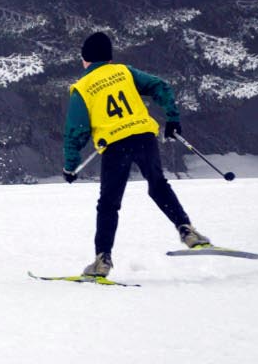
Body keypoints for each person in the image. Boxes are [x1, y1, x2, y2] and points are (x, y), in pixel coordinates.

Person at [62, 32, 213, 279]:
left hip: (115, 145)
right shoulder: (124, 72)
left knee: (109, 203)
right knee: (157, 184)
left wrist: (70, 166)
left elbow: (76, 131)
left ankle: (102, 260)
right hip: (144, 136)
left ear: (85, 60)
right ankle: (187, 230)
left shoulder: (83, 87)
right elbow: (160, 86)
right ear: (109, 58)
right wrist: (172, 118)